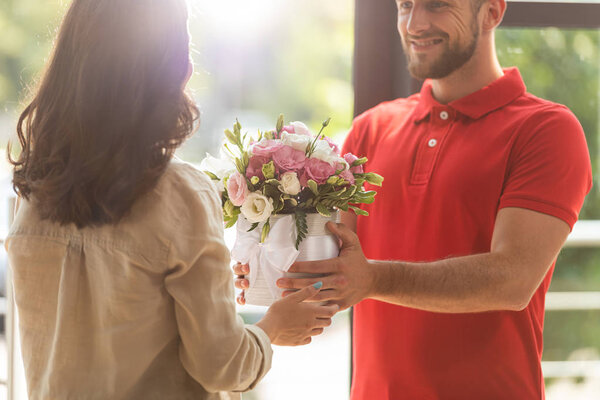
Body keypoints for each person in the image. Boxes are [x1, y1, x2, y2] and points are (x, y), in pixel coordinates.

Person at [235, 0, 593, 398]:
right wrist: (268, 268)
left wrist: (374, 279)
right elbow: (334, 271)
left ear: (491, 11)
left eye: (437, 5)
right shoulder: (370, 129)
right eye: (405, 5)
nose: (415, 23)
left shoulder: (546, 130)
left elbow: (512, 279)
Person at [5, 0, 338, 399]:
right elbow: (222, 365)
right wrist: (273, 327)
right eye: (185, 47)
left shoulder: (32, 194)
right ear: (172, 70)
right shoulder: (178, 193)